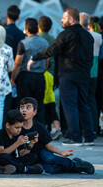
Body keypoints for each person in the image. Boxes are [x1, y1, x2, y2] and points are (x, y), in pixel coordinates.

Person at [27, 7, 95, 146]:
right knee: (84, 105)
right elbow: (90, 57)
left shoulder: (65, 35)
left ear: (71, 19)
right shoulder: (88, 36)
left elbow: (52, 50)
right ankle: (89, 137)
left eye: (63, 18)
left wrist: (34, 58)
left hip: (68, 75)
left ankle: (75, 138)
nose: (61, 20)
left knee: (70, 106)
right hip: (83, 75)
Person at [18, 97, 95, 174]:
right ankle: (73, 168)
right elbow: (21, 154)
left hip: (42, 152)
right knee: (50, 169)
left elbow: (48, 145)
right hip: (31, 157)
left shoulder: (39, 127)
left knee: (49, 158)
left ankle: (74, 163)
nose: (24, 110)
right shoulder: (17, 129)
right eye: (22, 107)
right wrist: (30, 144)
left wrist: (61, 152)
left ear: (34, 112)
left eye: (28, 107)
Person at [11, 18, 49, 124]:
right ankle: (40, 128)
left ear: (26, 29)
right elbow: (47, 62)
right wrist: (42, 71)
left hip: (26, 76)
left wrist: (13, 78)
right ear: (37, 28)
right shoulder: (44, 42)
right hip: (40, 76)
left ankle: (24, 127)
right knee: (39, 104)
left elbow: (18, 63)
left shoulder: (23, 43)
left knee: (24, 104)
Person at [0, 109, 43, 174]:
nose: (19, 130)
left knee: (33, 156)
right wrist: (17, 143)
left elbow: (22, 154)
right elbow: (2, 153)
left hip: (12, 161)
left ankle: (7, 169)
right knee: (3, 157)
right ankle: (25, 169)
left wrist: (31, 144)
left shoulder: (18, 135)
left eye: (21, 127)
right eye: (16, 128)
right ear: (8, 125)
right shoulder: (0, 134)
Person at [80, 13, 102, 137]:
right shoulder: (98, 36)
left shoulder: (81, 36)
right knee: (91, 100)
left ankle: (84, 127)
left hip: (83, 71)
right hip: (94, 71)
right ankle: (94, 126)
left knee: (81, 101)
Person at [4, 5, 26, 115]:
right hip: (18, 70)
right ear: (18, 17)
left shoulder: (3, 32)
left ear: (6, 15)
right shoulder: (21, 34)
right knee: (16, 101)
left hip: (4, 71)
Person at [43, 70, 62, 140]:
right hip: (51, 98)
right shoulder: (50, 75)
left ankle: (44, 133)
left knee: (44, 116)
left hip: (44, 99)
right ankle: (58, 129)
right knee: (53, 115)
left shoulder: (42, 75)